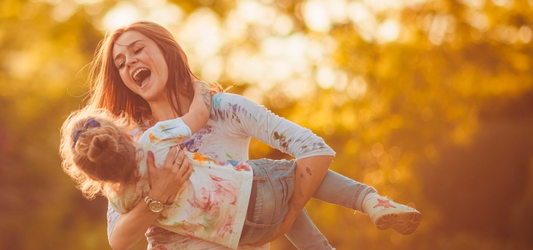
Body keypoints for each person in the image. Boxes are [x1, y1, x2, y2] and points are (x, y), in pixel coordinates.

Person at [75, 20, 420, 250]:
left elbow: (315, 151)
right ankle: (368, 201)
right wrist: (159, 195)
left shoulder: (225, 109)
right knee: (270, 185)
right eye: (120, 62)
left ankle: (371, 202)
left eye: (137, 49)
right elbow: (118, 237)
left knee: (271, 186)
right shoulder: (131, 141)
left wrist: (284, 220)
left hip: (247, 226)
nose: (129, 62)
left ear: (166, 50)